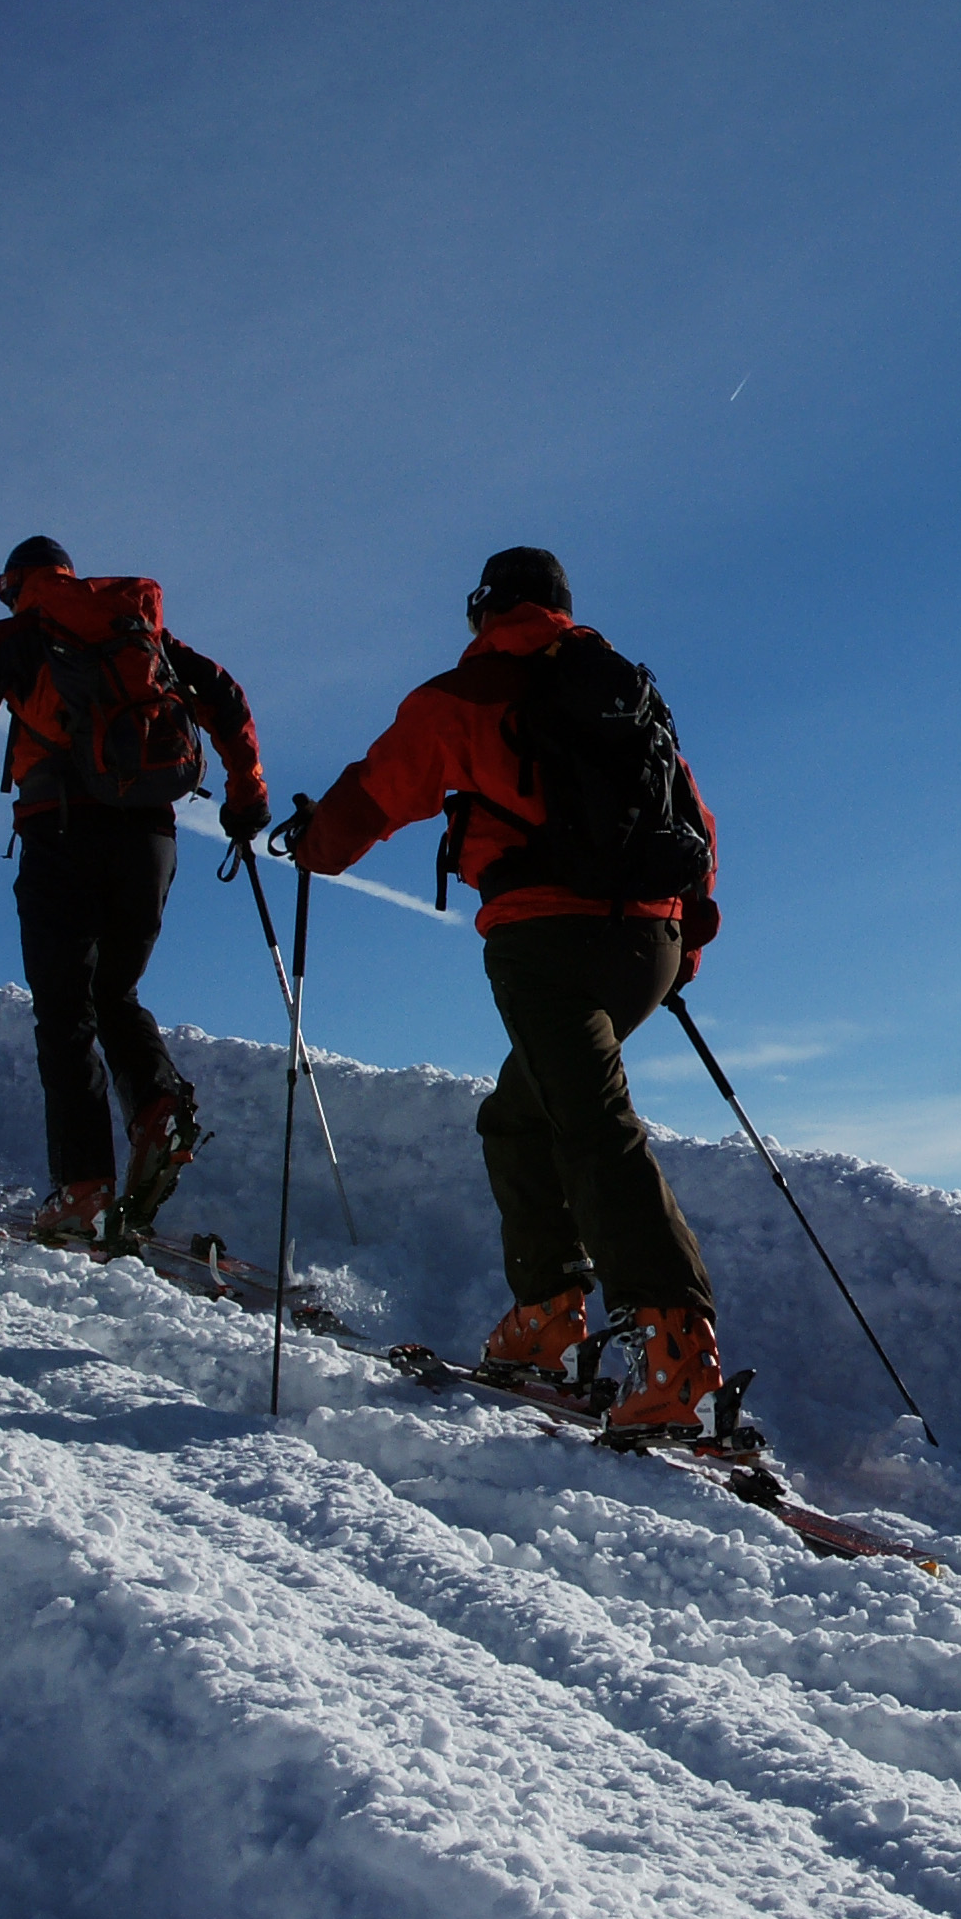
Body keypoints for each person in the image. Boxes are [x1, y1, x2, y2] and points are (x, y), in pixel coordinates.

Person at [280, 546, 731, 1441]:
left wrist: (311, 845)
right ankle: (548, 1323)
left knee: (590, 1123)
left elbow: (379, 791)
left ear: (487, 608)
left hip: (543, 939)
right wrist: (682, 950)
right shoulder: (631, 696)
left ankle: (672, 1347)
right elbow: (698, 822)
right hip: (651, 941)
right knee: (522, 1116)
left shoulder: (472, 691)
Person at [0, 536, 270, 1246]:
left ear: (14, 584)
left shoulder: (17, 636)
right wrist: (246, 796)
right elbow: (225, 696)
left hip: (61, 829)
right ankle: (158, 1105)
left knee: (65, 1010)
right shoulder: (143, 632)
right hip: (152, 837)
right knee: (115, 992)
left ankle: (83, 1188)